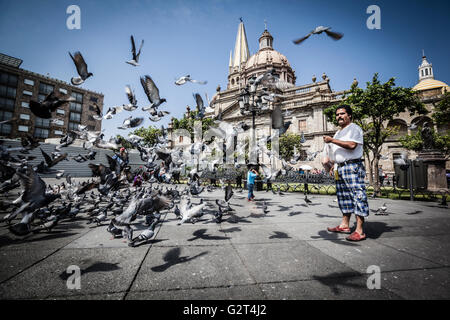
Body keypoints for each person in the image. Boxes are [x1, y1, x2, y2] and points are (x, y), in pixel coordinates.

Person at [322, 105, 369, 241]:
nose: (339, 117)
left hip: (352, 166)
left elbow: (351, 145)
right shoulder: (338, 132)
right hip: (340, 167)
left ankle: (359, 230)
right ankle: (345, 225)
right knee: (343, 197)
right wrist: (332, 164)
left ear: (349, 115)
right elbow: (337, 151)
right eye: (337, 115)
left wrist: (331, 140)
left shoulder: (354, 128)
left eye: (342, 114)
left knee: (357, 195)